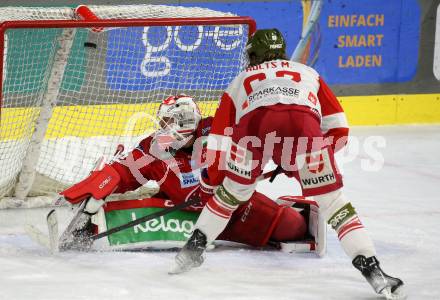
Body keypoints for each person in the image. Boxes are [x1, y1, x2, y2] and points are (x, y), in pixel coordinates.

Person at [171, 29, 404, 299]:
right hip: (304, 128)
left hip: (253, 130)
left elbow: (220, 142)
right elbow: (339, 131)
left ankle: (190, 252)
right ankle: (374, 271)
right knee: (334, 204)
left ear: (254, 54)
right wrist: (297, 162)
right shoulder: (308, 73)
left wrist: (214, 182)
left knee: (230, 196)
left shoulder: (241, 80)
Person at [58, 94, 311, 252]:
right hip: (181, 212)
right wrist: (102, 183)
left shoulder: (218, 131)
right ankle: (88, 226)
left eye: (168, 122)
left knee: (293, 226)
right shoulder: (157, 147)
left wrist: (280, 157)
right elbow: (125, 169)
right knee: (139, 205)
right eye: (162, 123)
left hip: (233, 211)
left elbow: (258, 144)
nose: (163, 129)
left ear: (184, 121)